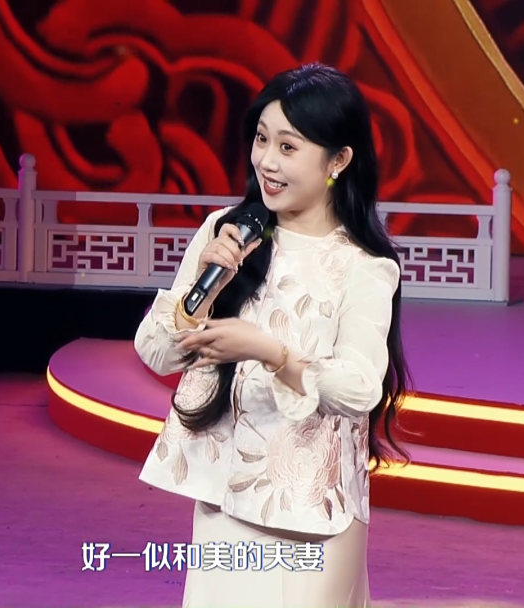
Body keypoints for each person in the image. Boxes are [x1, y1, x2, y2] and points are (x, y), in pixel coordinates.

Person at [134, 63, 412, 606]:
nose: (266, 161)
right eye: (262, 140)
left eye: (288, 147)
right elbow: (157, 353)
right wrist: (204, 293)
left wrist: (269, 353)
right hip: (222, 504)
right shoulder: (227, 231)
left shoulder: (363, 266)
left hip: (312, 518)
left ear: (338, 160)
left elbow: (359, 389)